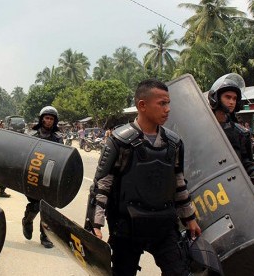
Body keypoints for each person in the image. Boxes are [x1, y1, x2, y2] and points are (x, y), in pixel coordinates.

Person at [86, 79, 201, 275]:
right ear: (142, 105)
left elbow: (179, 184)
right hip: (127, 228)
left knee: (179, 272)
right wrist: (94, 225)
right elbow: (102, 186)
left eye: (168, 103)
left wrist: (190, 219)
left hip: (164, 225)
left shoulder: (173, 143)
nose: (168, 109)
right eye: (162, 103)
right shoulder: (120, 141)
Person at [208, 73, 254, 204]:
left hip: (233, 189)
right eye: (227, 97)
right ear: (215, 98)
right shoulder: (202, 127)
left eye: (234, 98)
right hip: (208, 192)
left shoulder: (240, 133)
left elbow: (247, 162)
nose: (231, 102)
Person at [22, 106, 63, 249]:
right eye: (46, 118)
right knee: (34, 206)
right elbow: (25, 156)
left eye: (52, 118)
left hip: (49, 177)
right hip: (33, 175)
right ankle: (27, 221)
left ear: (54, 121)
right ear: (42, 119)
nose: (49, 121)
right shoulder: (32, 135)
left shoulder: (58, 138)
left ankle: (45, 236)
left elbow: (61, 159)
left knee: (47, 208)